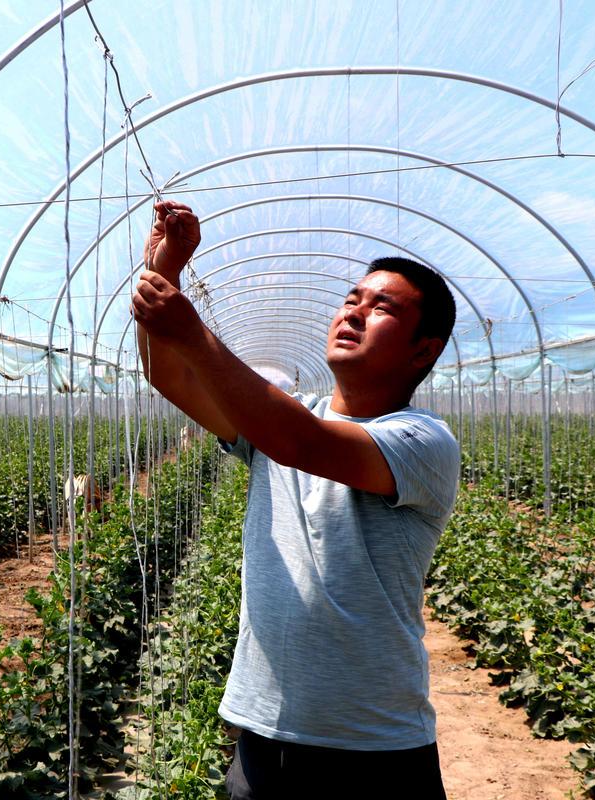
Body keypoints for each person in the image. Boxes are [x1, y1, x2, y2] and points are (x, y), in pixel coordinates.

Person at [131, 200, 460, 799]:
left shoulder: (422, 442)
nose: (355, 313)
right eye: (351, 300)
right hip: (263, 734)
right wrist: (166, 272)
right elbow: (169, 376)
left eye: (381, 308)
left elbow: (298, 442)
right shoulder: (280, 422)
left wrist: (194, 333)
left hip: (372, 748)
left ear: (423, 350)